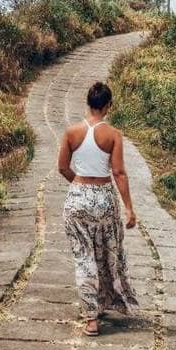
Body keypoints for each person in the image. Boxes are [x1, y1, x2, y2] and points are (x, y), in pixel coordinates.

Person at [57, 81, 139, 336]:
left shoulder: (71, 132)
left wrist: (80, 187)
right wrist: (129, 209)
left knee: (84, 258)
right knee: (105, 254)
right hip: (104, 199)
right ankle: (103, 301)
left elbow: (62, 167)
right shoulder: (113, 135)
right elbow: (119, 173)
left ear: (88, 103)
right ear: (107, 106)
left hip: (77, 199)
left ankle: (91, 319)